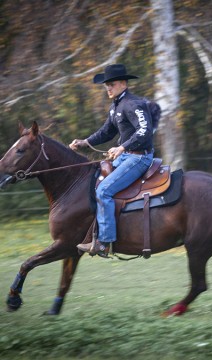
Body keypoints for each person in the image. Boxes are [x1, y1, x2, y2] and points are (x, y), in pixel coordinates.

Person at [70, 64, 154, 257]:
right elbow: (107, 131)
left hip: (139, 158)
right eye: (106, 85)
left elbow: (145, 131)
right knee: (93, 182)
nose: (108, 88)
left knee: (104, 190)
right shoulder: (116, 105)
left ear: (123, 83)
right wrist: (85, 142)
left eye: (112, 84)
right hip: (126, 157)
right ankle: (95, 234)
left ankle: (104, 242)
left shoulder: (134, 104)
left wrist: (122, 147)